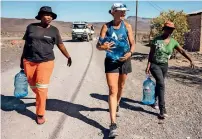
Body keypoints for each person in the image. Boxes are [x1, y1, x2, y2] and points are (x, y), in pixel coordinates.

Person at [20, 6, 72, 124]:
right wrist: (21, 59)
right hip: (29, 60)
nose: (49, 17)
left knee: (41, 88)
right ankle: (41, 97)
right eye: (46, 15)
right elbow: (27, 44)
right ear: (40, 16)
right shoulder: (31, 27)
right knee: (33, 85)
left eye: (51, 15)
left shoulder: (54, 30)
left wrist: (68, 56)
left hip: (46, 61)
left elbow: (60, 45)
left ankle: (40, 113)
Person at [96, 3, 135, 137]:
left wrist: (130, 53)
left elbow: (133, 43)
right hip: (111, 61)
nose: (124, 13)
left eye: (125, 11)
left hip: (125, 60)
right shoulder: (106, 27)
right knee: (113, 90)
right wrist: (103, 47)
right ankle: (113, 124)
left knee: (121, 86)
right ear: (113, 12)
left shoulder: (127, 26)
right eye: (121, 11)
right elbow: (98, 45)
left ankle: (117, 103)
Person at [145, 21, 195, 119]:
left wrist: (190, 60)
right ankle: (162, 110)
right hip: (155, 65)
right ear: (164, 29)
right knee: (161, 84)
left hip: (164, 66)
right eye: (168, 28)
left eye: (172, 29)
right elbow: (151, 53)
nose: (170, 31)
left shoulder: (173, 42)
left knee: (160, 84)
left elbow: (182, 51)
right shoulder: (157, 39)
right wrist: (148, 65)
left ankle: (153, 101)